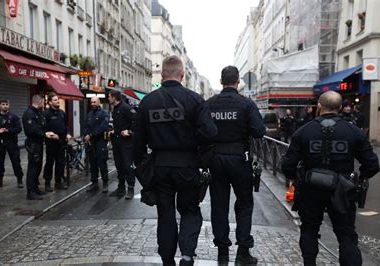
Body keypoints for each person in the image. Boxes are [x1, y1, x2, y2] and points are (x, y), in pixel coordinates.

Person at [133, 55, 217, 266]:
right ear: (182, 74)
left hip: (160, 165)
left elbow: (138, 141)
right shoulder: (194, 100)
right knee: (189, 210)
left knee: (166, 214)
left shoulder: (147, 102)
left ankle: (167, 260)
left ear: (162, 75)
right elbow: (210, 133)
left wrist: (143, 165)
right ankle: (187, 256)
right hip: (188, 164)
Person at [281, 91, 380, 265]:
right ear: (340, 107)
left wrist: (297, 179)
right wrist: (358, 179)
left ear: (319, 106)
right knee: (347, 236)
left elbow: (287, 165)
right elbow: (372, 165)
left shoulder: (304, 131)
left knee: (309, 230)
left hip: (310, 190)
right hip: (341, 190)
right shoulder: (354, 132)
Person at [206, 66, 265, 264]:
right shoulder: (246, 104)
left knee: (219, 206)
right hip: (240, 158)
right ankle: (243, 252)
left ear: (221, 81)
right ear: (238, 81)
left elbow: (200, 131)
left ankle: (222, 252)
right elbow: (259, 131)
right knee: (245, 204)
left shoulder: (210, 104)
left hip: (216, 158)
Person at [22, 95, 58, 200]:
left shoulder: (38, 113)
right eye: (43, 102)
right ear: (40, 102)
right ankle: (30, 191)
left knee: (38, 166)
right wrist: (45, 134)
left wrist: (47, 132)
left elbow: (42, 126)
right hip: (33, 143)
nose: (44, 104)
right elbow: (31, 130)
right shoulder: (29, 114)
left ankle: (35, 188)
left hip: (39, 143)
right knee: (33, 167)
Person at [0, 99, 24, 189]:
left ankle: (19, 179)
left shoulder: (14, 116)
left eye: (6, 104)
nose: (5, 106)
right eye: (3, 104)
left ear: (9, 105)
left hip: (11, 141)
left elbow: (19, 129)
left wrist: (8, 130)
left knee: (16, 161)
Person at [108, 90, 136, 199]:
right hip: (117, 142)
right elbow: (118, 124)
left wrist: (129, 132)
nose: (108, 99)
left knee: (127, 165)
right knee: (119, 165)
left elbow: (137, 121)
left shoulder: (126, 108)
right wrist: (113, 130)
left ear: (114, 98)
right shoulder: (115, 109)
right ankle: (121, 187)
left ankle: (130, 188)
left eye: (109, 97)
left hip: (126, 143)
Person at [43, 93, 72, 192]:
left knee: (61, 162)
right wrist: (51, 135)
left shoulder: (62, 113)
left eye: (57, 99)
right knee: (50, 162)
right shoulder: (46, 114)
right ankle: (47, 183)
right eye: (55, 100)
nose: (57, 101)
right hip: (51, 142)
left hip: (61, 141)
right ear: (50, 102)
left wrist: (68, 133)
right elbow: (44, 128)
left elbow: (66, 125)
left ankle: (58, 182)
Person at [83, 97, 110, 192]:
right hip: (91, 143)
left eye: (94, 102)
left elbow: (103, 127)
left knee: (102, 163)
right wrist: (85, 135)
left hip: (100, 142)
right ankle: (94, 183)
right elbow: (86, 125)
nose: (92, 104)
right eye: (91, 102)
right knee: (93, 164)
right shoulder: (90, 114)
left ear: (98, 102)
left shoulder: (104, 114)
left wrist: (91, 135)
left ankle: (105, 183)